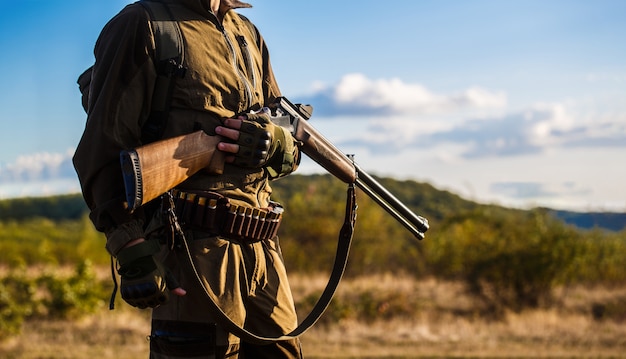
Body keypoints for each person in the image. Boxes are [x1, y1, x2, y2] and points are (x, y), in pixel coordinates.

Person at [73, 0, 304, 357]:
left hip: (262, 247)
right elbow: (102, 149)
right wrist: (131, 248)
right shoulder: (144, 24)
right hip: (193, 250)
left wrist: (277, 144)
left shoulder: (247, 33)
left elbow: (281, 126)